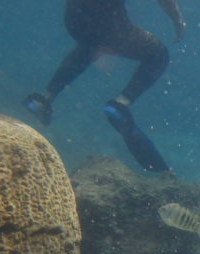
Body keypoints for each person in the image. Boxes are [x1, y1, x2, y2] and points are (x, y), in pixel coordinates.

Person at [23, 0, 185, 174]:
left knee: (91, 44)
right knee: (158, 55)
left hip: (74, 19)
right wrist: (177, 19)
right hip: (109, 23)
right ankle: (121, 104)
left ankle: (45, 98)